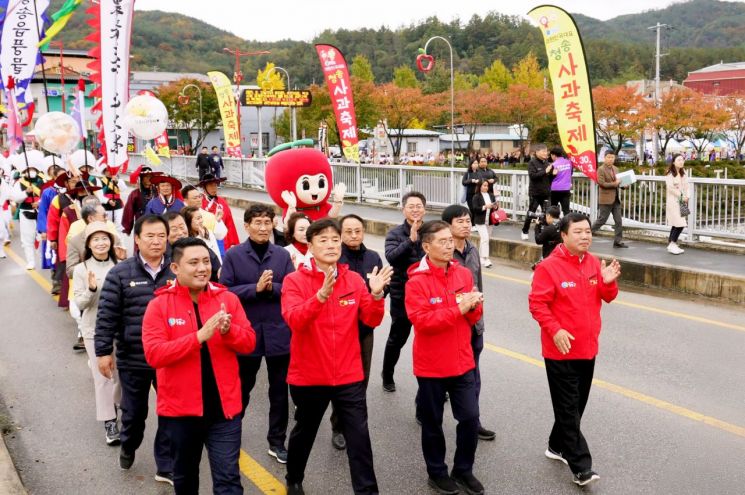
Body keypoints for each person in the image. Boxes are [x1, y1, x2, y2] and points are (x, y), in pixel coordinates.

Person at [281, 218, 392, 495]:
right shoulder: (295, 280)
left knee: (359, 438)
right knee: (304, 431)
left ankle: (367, 491)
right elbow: (294, 320)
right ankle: (294, 477)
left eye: (335, 239)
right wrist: (319, 297)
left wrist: (377, 295)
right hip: (309, 375)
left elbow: (371, 318)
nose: (331, 245)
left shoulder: (353, 279)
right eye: (323, 240)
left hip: (348, 374)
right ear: (310, 245)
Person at [142, 237, 256, 495]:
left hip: (224, 412)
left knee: (229, 480)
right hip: (180, 413)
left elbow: (249, 343)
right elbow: (154, 355)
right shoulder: (159, 305)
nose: (202, 268)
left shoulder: (227, 299)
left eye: (206, 261)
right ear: (175, 268)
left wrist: (229, 332)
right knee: (185, 478)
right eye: (193, 262)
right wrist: (198, 337)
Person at [528, 212, 621, 487]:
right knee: (568, 408)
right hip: (560, 350)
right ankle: (581, 465)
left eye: (588, 232)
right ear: (564, 235)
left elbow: (608, 297)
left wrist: (607, 281)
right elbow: (537, 305)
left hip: (588, 347)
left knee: (576, 406)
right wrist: (555, 330)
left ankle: (556, 446)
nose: (585, 236)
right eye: (578, 232)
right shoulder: (548, 267)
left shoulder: (593, 262)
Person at [405, 220, 485, 495]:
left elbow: (472, 315)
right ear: (427, 246)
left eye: (450, 240)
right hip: (431, 366)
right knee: (432, 423)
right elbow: (422, 321)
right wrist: (459, 308)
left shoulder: (462, 274)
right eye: (443, 241)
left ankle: (463, 469)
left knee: (470, 418)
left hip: (462, 361)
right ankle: (436, 472)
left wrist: (474, 306)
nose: (450, 245)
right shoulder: (416, 281)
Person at [95, 215, 174, 484]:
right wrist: (103, 352)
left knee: (170, 412)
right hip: (133, 357)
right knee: (135, 414)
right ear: (137, 239)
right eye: (149, 236)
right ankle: (129, 444)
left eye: (161, 236)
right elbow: (106, 316)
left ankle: (166, 465)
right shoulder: (120, 273)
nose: (156, 241)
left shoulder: (176, 271)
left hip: (170, 357)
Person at [219, 204, 295, 464]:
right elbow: (225, 290)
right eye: (258, 223)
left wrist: (271, 287)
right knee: (242, 387)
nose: (263, 227)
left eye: (267, 222)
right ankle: (230, 434)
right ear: (247, 225)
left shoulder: (282, 255)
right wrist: (255, 288)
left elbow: (292, 287)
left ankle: (277, 441)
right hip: (246, 331)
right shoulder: (234, 255)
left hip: (278, 331)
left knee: (279, 391)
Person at [328, 214, 384, 451]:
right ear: (340, 234)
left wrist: (375, 293)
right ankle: (338, 426)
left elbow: (383, 287)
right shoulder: (334, 257)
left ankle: (354, 425)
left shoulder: (373, 257)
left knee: (361, 379)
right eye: (348, 231)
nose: (353, 235)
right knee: (340, 381)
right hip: (338, 331)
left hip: (364, 329)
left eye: (358, 231)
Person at [441, 206, 496, 443]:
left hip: (473, 324)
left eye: (467, 221)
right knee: (439, 375)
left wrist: (480, 318)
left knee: (473, 372)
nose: (465, 224)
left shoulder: (473, 250)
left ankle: (473, 421)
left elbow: (478, 287)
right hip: (449, 324)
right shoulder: (441, 254)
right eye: (460, 221)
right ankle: (425, 407)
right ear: (448, 226)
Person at [72, 221, 122, 446]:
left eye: (104, 239)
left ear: (110, 242)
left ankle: (117, 405)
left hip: (121, 329)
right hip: (94, 329)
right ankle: (110, 421)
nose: (101, 243)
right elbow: (80, 302)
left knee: (121, 375)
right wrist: (91, 289)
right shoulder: (82, 270)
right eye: (95, 239)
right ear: (89, 245)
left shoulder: (120, 264)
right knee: (103, 378)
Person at [382, 191, 426, 392]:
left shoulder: (432, 231)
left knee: (429, 340)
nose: (415, 209)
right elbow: (391, 257)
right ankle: (387, 374)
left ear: (424, 209)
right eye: (411, 206)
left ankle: (432, 384)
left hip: (428, 295)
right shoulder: (395, 233)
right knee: (398, 338)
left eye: (419, 206)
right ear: (403, 210)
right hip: (403, 295)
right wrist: (411, 239)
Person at [164, 211, 221, 282]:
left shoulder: (202, 249)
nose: (180, 233)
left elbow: (218, 275)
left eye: (182, 227)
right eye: (174, 229)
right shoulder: (161, 255)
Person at [10, 159, 46, 269]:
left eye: (32, 169)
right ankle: (31, 261)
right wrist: (26, 192)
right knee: (27, 238)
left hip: (41, 213)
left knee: (43, 237)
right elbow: (15, 198)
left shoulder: (43, 181)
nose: (30, 171)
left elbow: (48, 195)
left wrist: (39, 203)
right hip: (26, 212)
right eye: (28, 169)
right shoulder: (19, 183)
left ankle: (43, 258)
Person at [590, 152, 627, 248]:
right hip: (606, 199)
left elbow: (619, 182)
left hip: (616, 199)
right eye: (608, 157)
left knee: (618, 221)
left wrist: (624, 186)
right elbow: (601, 183)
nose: (610, 159)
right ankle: (587, 234)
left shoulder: (616, 169)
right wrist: (615, 183)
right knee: (602, 220)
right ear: (604, 158)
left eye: (612, 157)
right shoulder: (601, 169)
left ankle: (617, 241)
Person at [200, 174, 240, 253]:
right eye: (210, 186)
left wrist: (233, 243)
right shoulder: (200, 202)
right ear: (204, 187)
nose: (214, 188)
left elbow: (229, 223)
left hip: (222, 239)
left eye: (215, 185)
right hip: (206, 239)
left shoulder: (222, 202)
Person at [521, 144, 553, 241]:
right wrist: (545, 171)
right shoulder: (532, 162)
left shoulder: (547, 163)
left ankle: (544, 232)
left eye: (546, 151)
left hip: (546, 192)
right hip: (535, 193)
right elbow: (533, 176)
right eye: (543, 151)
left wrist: (553, 174)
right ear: (537, 152)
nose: (545, 153)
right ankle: (525, 231)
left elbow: (549, 178)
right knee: (531, 213)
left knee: (547, 214)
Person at [122, 166, 161, 236]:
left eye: (150, 177)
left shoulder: (157, 191)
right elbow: (129, 211)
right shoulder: (135, 194)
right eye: (146, 177)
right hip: (141, 223)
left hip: (155, 223)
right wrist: (127, 228)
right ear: (142, 179)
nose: (149, 179)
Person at [665, 154, 689, 255]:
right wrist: (681, 196)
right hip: (674, 201)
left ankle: (672, 243)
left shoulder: (684, 173)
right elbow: (671, 188)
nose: (681, 161)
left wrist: (687, 196)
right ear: (674, 162)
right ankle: (672, 243)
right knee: (680, 223)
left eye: (682, 160)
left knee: (678, 223)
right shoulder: (670, 174)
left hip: (682, 201)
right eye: (678, 160)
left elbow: (687, 186)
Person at [470, 180, 496, 268]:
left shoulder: (491, 195)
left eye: (487, 186)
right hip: (480, 221)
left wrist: (495, 206)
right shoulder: (476, 196)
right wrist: (485, 207)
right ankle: (486, 258)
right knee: (485, 238)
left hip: (489, 220)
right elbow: (475, 209)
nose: (486, 187)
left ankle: (481, 257)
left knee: (485, 239)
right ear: (480, 186)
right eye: (484, 185)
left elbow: (494, 207)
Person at [549, 147, 572, 216]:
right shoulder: (569, 162)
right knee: (566, 210)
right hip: (566, 188)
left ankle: (552, 225)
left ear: (553, 155)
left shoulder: (553, 165)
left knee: (553, 209)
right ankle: (567, 225)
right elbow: (570, 173)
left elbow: (550, 177)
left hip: (555, 189)